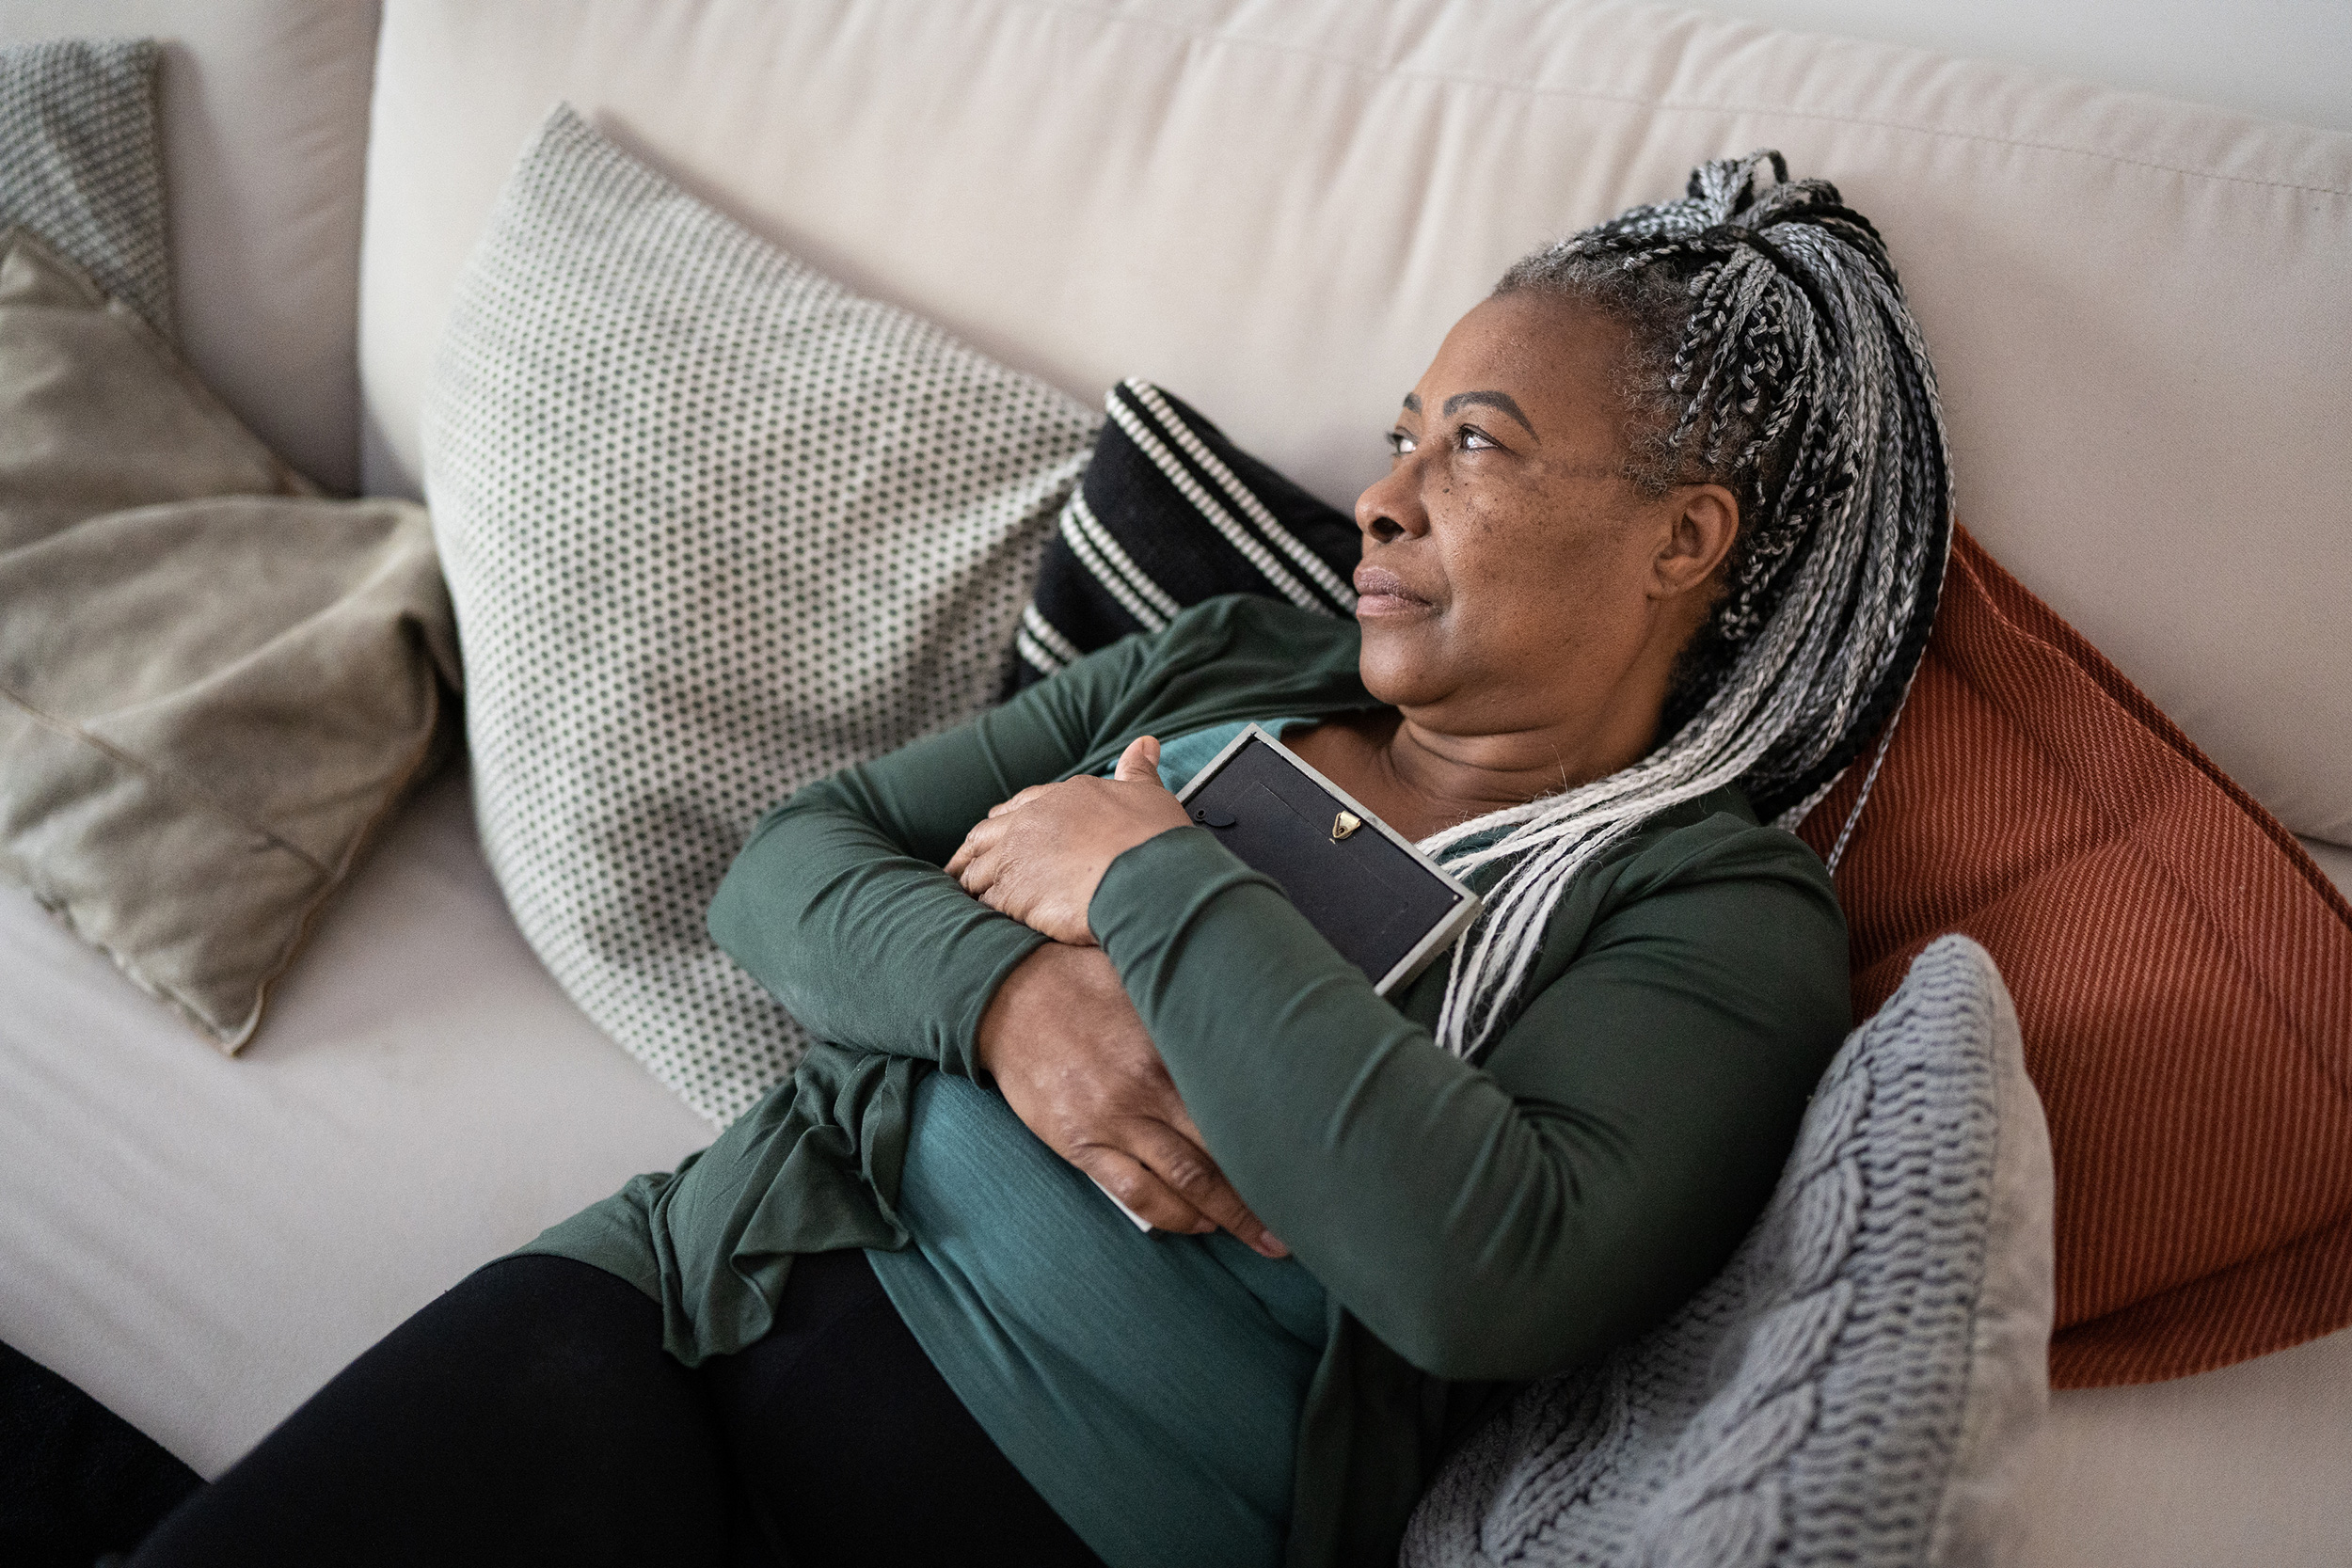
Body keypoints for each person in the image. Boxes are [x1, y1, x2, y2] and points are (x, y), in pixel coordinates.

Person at [132, 150, 1949, 1568]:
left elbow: (1487, 1270)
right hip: (689, 1312)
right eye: (1405, 432)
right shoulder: (1238, 662)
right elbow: (790, 866)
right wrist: (1016, 999)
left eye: (1474, 446)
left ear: (1681, 542)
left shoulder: (1718, 915)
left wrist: (1143, 878)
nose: (1385, 491)